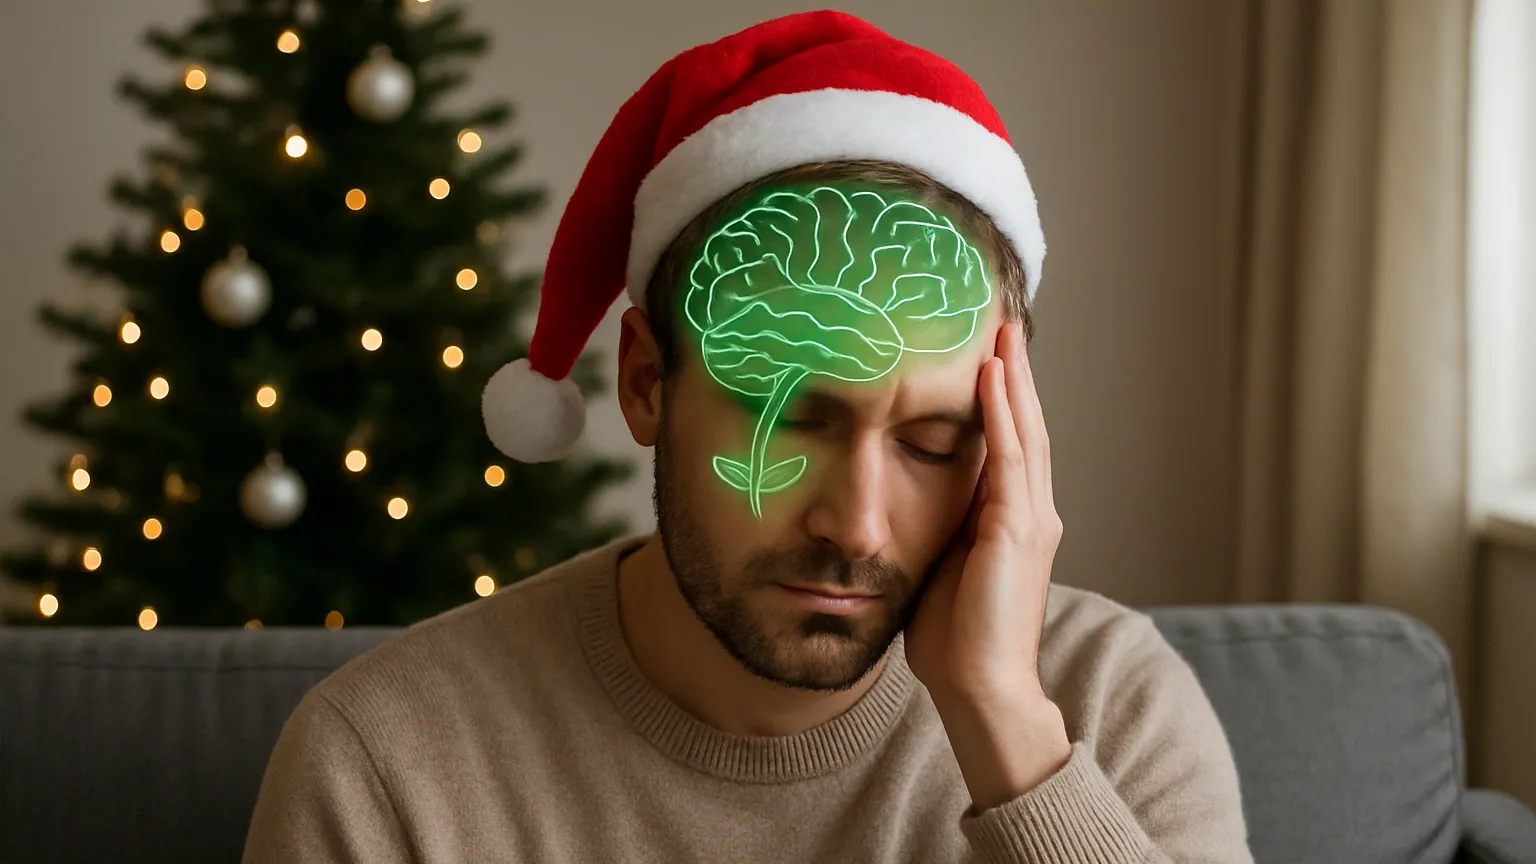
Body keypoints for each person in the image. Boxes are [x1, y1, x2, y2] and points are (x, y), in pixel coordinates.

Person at [242, 10, 1253, 863]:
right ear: (646, 382)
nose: (856, 526)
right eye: (795, 418)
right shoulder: (386, 765)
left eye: (932, 443)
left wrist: (1006, 726)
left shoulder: (1110, 707)